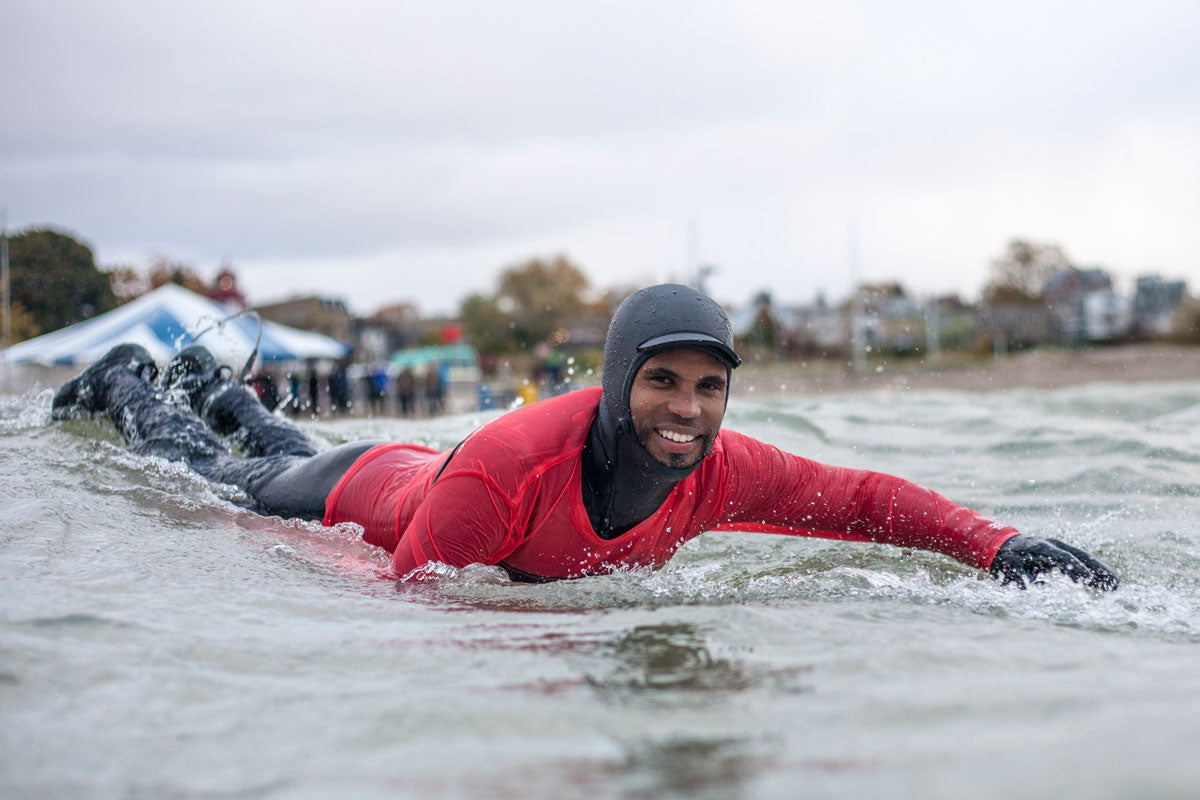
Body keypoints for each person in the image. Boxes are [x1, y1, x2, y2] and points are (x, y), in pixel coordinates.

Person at [50, 284, 1118, 589]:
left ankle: (219, 388)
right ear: (616, 385)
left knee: (261, 436)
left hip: (424, 470)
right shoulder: (518, 464)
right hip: (373, 494)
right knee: (221, 479)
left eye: (709, 387)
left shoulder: (722, 466)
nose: (686, 410)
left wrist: (995, 542)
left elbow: (861, 499)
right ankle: (136, 385)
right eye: (661, 382)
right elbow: (404, 599)